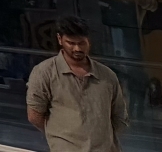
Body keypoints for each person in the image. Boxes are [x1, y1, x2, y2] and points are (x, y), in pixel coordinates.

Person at [27, 17, 127, 152]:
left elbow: (119, 116)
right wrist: (60, 138)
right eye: (71, 43)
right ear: (60, 39)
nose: (77, 48)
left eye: (82, 43)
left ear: (89, 41)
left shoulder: (107, 75)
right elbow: (34, 115)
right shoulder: (44, 72)